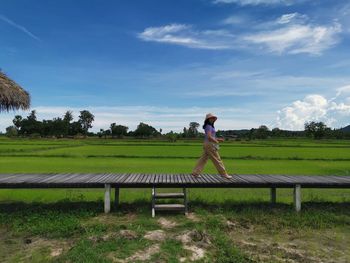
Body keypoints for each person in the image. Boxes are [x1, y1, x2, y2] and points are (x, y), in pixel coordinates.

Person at [191, 113, 232, 179]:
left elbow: (211, 137)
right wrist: (216, 141)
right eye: (212, 118)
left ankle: (195, 173)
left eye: (214, 118)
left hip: (207, 144)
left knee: (203, 159)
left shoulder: (209, 126)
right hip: (210, 144)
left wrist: (218, 139)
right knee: (217, 159)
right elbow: (209, 137)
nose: (213, 119)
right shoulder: (208, 126)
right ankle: (224, 174)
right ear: (208, 119)